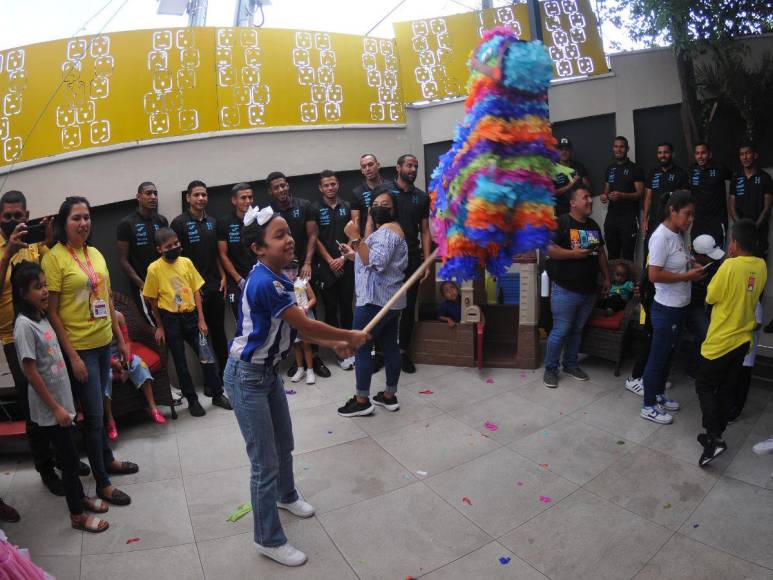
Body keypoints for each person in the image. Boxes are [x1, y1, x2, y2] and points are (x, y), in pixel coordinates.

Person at [224, 204, 366, 567]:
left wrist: (334, 343)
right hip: (247, 377)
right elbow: (306, 324)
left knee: (284, 445)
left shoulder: (279, 276)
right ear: (257, 247)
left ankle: (286, 495)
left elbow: (300, 328)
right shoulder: (264, 282)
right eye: (279, 236)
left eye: (289, 233)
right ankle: (267, 538)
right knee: (264, 462)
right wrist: (345, 334)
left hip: (267, 374)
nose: (289, 240)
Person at [42, 196, 137, 506]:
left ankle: (106, 459)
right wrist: (72, 356)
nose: (83, 223)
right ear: (63, 223)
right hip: (80, 349)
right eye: (76, 218)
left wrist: (120, 340)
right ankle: (102, 482)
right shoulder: (54, 259)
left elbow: (106, 298)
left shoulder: (94, 253)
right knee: (95, 417)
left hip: (103, 341)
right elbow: (52, 313)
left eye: (86, 217)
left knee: (101, 408)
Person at [12, 262, 110, 533]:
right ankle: (77, 514)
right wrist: (56, 408)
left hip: (62, 403)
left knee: (70, 454)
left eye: (45, 285)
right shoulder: (23, 326)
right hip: (49, 409)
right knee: (68, 462)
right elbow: (31, 373)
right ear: (22, 293)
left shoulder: (42, 317)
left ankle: (80, 498)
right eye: (37, 287)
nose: (45, 291)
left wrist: (67, 403)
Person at [0, 190, 73, 496]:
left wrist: (49, 241)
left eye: (19, 216)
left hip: (43, 329)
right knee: (33, 404)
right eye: (7, 216)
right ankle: (45, 468)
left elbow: (42, 282)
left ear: (26, 217)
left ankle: (64, 458)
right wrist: (7, 254)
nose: (14, 221)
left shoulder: (32, 246)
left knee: (56, 389)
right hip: (13, 337)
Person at [696, 219, 766, 466]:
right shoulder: (762, 266)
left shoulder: (728, 266)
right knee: (726, 388)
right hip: (742, 341)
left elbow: (712, 295)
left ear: (734, 244)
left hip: (720, 341)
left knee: (704, 385)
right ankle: (716, 434)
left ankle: (714, 438)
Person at [143, 227, 232, 417]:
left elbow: (196, 291)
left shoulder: (186, 262)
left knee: (207, 357)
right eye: (169, 246)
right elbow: (152, 300)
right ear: (159, 249)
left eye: (176, 244)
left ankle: (217, 394)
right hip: (170, 320)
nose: (175, 247)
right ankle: (192, 400)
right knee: (181, 364)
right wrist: (160, 326)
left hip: (191, 316)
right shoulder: (154, 269)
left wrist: (201, 319)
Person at [337, 188, 408, 417]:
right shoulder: (387, 231)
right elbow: (369, 259)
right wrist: (353, 253)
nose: (379, 207)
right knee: (389, 346)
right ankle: (389, 396)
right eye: (375, 203)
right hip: (389, 302)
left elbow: (376, 263)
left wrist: (356, 237)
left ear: (394, 208)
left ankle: (361, 401)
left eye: (385, 204)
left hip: (374, 302)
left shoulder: (389, 230)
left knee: (361, 348)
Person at [640, 191, 704, 425]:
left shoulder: (679, 234)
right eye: (687, 214)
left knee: (669, 355)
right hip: (665, 309)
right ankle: (648, 405)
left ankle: (658, 395)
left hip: (680, 306)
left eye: (693, 215)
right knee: (658, 357)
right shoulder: (660, 237)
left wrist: (692, 264)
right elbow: (653, 274)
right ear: (672, 211)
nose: (690, 220)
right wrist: (687, 275)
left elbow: (680, 260)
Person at [543, 187, 610, 388]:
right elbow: (548, 249)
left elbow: (600, 253)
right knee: (561, 330)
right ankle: (550, 369)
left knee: (577, 331)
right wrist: (573, 254)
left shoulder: (593, 225)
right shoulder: (561, 222)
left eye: (590, 196)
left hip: (589, 290)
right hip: (565, 289)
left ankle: (570, 365)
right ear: (573, 203)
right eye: (586, 197)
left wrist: (606, 278)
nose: (590, 200)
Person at [266, 171, 329, 379]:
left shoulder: (304, 205)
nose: (281, 190)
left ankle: (315, 359)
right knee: (289, 316)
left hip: (304, 267)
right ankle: (298, 362)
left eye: (284, 185)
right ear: (271, 191)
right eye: (276, 187)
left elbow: (313, 235)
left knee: (310, 313)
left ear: (288, 186)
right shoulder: (269, 213)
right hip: (281, 270)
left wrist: (307, 263)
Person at [171, 180, 229, 372]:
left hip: (216, 287)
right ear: (188, 198)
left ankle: (227, 375)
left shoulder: (213, 222)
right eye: (196, 195)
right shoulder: (179, 223)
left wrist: (223, 277)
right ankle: (211, 383)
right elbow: (175, 263)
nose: (201, 198)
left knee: (219, 333)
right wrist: (191, 289)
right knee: (201, 339)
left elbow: (217, 254)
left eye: (204, 194)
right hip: (195, 292)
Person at [390, 154, 431, 373]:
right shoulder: (386, 193)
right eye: (409, 165)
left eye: (416, 165)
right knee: (385, 307)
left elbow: (425, 231)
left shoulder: (422, 197)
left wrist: (426, 263)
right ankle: (381, 352)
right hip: (388, 261)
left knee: (408, 307)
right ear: (398, 168)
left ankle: (403, 352)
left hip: (413, 260)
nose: (413, 169)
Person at [312, 170, 355, 370]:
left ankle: (349, 347)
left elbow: (353, 234)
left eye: (333, 184)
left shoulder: (347, 206)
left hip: (346, 263)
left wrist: (343, 258)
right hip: (325, 267)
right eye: (326, 185)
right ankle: (338, 351)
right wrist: (331, 260)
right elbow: (314, 238)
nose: (330, 188)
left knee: (347, 306)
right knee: (330, 310)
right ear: (320, 188)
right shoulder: (314, 208)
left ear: (338, 185)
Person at [103, 310, 166, 441]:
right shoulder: (95, 321)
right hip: (104, 359)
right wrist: (112, 362)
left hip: (123, 354)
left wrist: (126, 356)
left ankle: (153, 407)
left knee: (139, 365)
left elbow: (127, 341)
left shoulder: (119, 316)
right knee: (105, 378)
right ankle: (110, 420)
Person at [116, 182, 168, 325]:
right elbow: (123, 260)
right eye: (148, 193)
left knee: (170, 325)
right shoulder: (126, 224)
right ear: (139, 197)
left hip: (164, 284)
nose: (153, 197)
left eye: (155, 194)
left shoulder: (161, 220)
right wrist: (143, 285)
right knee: (155, 327)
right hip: (143, 287)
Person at [683, 234, 725, 377]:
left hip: (699, 307)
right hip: (679, 304)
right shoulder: (683, 263)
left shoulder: (714, 265)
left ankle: (695, 368)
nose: (713, 259)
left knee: (704, 333)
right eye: (709, 256)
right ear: (698, 255)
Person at [600, 136, 644, 261]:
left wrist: (623, 195)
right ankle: (612, 281)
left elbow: (640, 193)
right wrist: (604, 196)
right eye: (616, 146)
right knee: (612, 255)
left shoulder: (635, 169)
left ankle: (629, 281)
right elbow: (606, 191)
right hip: (612, 218)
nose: (618, 149)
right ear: (613, 148)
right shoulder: (610, 169)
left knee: (628, 256)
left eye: (621, 147)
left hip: (629, 218)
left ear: (627, 149)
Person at [217, 182, 257, 318]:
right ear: (234, 200)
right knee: (242, 321)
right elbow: (222, 255)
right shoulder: (224, 222)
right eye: (243, 198)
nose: (248, 201)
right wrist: (239, 279)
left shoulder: (259, 219)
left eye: (250, 197)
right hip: (237, 281)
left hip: (259, 277)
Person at [729, 142, 772, 259]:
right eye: (742, 154)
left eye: (748, 153)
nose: (745, 157)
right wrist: (741, 227)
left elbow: (767, 207)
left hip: (759, 234)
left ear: (755, 155)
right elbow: (732, 207)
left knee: (756, 272)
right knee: (740, 271)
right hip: (740, 235)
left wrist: (754, 227)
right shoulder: (736, 178)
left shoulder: (765, 178)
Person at [642, 142, 689, 242]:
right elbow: (648, 198)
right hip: (654, 220)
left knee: (671, 251)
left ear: (672, 154)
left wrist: (681, 220)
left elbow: (685, 200)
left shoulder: (681, 174)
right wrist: (645, 219)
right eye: (660, 153)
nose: (662, 155)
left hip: (672, 221)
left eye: (665, 152)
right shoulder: (652, 173)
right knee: (649, 250)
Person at [689, 142, 731, 246]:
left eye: (703, 153)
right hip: (698, 222)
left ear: (710, 154)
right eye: (697, 153)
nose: (700, 156)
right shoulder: (692, 170)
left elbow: (735, 179)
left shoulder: (720, 168)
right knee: (697, 255)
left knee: (715, 257)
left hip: (717, 221)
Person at [283, 260, 317, 385]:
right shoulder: (283, 284)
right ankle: (300, 369)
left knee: (306, 344)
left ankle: (310, 370)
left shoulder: (303, 281)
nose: (290, 273)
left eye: (293, 270)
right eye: (287, 270)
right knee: (296, 345)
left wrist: (306, 307)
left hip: (305, 317)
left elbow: (313, 298)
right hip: (292, 319)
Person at [351, 153, 397, 237]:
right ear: (361, 170)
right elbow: (355, 224)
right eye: (364, 166)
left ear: (378, 165)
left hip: (391, 236)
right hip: (368, 240)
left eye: (370, 164)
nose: (367, 169)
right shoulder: (357, 192)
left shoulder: (392, 187)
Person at [552, 138, 591, 217]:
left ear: (571, 151)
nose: (564, 152)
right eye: (561, 149)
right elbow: (551, 193)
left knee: (577, 230)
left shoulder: (579, 166)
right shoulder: (552, 168)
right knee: (565, 229)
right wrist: (569, 186)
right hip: (561, 211)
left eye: (566, 149)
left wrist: (583, 182)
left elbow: (588, 187)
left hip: (578, 210)